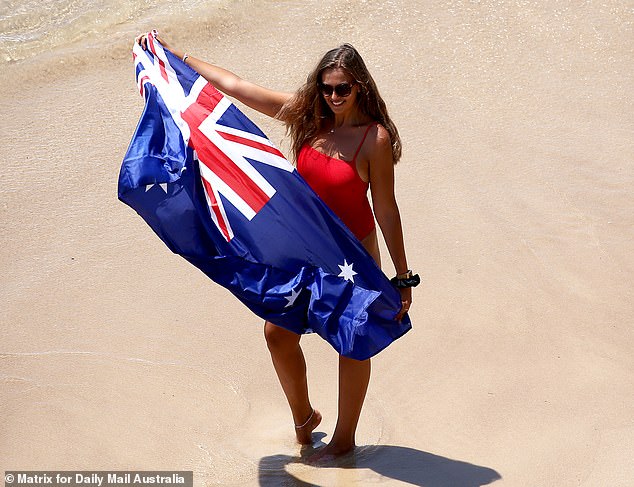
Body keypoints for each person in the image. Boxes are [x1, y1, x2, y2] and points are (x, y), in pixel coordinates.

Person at [136, 32, 416, 461]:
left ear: (360, 85)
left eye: (343, 88)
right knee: (277, 335)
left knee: (352, 343)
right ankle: (304, 419)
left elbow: (386, 209)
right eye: (327, 88)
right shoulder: (307, 118)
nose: (334, 96)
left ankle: (344, 441)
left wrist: (402, 275)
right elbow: (236, 87)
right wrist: (179, 57)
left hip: (351, 257)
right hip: (301, 250)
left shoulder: (372, 139)